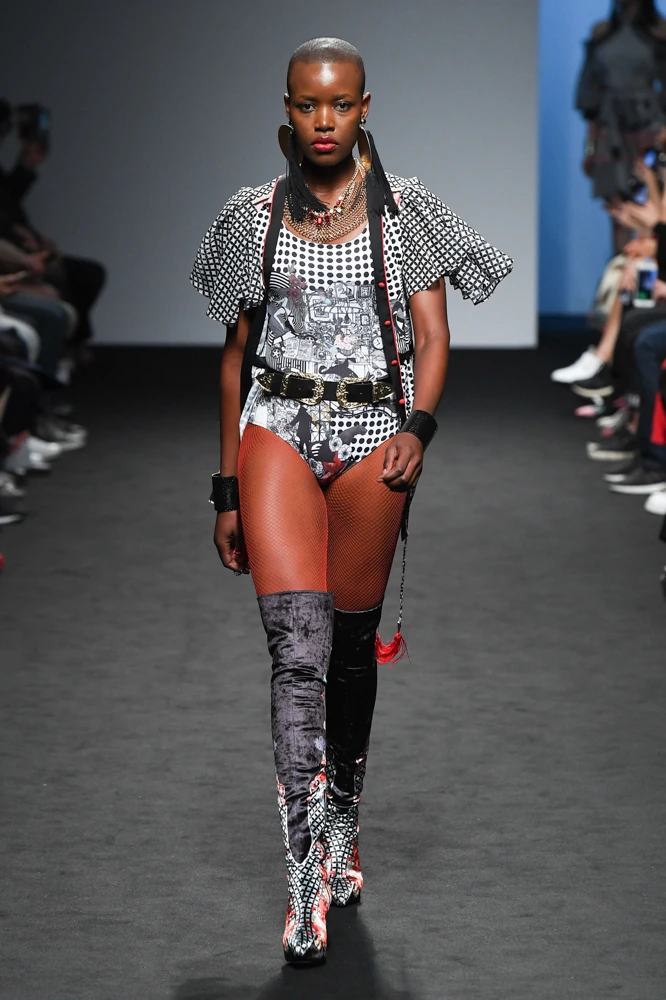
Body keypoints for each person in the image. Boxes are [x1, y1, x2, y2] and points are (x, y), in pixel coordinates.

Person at [190, 37, 513, 966]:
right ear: (286, 109)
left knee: (348, 649)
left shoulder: (411, 210)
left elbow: (433, 338)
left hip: (376, 436)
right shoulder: (250, 215)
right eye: (307, 104)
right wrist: (225, 488)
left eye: (339, 104)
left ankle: (343, 821)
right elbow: (235, 357)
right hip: (278, 429)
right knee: (295, 653)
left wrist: (421, 427)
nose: (323, 120)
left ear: (365, 107)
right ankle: (303, 881)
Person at [576, 0, 666, 251]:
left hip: (649, 128)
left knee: (650, 203)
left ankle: (650, 269)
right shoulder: (602, 33)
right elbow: (590, 98)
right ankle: (622, 268)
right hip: (610, 130)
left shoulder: (659, 32)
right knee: (618, 210)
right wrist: (590, 148)